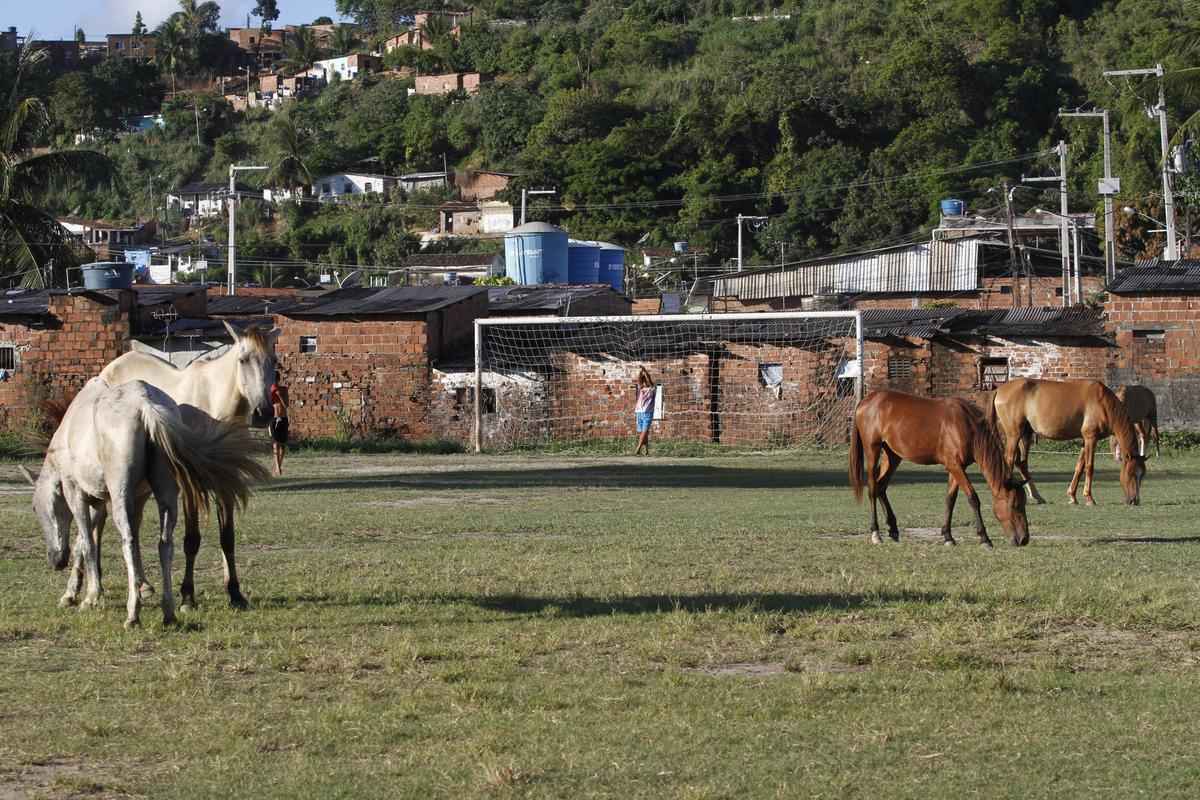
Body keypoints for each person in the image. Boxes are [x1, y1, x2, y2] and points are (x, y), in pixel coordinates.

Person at [633, 367, 656, 455]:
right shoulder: (641, 388)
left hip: (648, 413)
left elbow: (649, 380)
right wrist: (640, 372)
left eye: (645, 380)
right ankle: (646, 450)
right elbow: (639, 380)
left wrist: (645, 372)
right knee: (642, 432)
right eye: (643, 380)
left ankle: (638, 449)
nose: (644, 382)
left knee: (644, 431)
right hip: (639, 412)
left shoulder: (652, 389)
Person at [268, 383, 289, 476]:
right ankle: (277, 467)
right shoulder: (270, 390)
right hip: (274, 419)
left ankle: (278, 466)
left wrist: (280, 395)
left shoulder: (284, 390)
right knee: (275, 444)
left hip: (283, 418)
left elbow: (286, 405)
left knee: (283, 446)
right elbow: (268, 405)